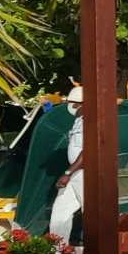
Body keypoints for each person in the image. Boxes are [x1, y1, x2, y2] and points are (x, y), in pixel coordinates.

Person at [49, 87, 86, 243]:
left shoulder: (89, 122)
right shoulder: (78, 121)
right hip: (76, 173)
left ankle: (103, 250)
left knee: (94, 214)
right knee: (60, 211)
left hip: (85, 174)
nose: (71, 106)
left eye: (73, 103)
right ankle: (58, 250)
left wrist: (67, 173)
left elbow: (88, 152)